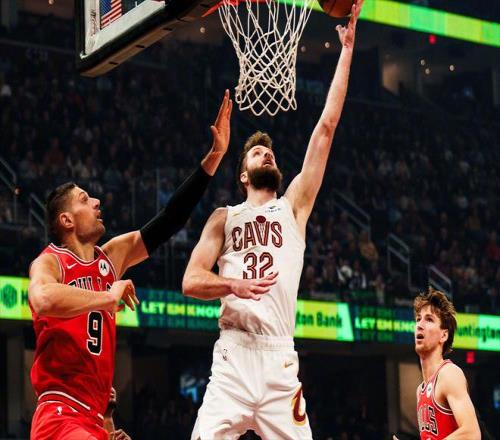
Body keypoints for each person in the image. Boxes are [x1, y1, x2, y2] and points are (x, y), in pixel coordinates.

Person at [182, 3, 363, 438]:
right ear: (243, 175)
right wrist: (233, 285)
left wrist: (346, 50)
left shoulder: (293, 206)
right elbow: (190, 281)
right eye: (257, 153)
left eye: (270, 152)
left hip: (279, 357)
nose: (267, 154)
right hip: (233, 355)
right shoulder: (223, 218)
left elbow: (326, 128)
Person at [28, 91, 233, 440]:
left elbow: (169, 220)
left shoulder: (109, 259)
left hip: (92, 418)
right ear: (66, 220)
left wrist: (213, 158)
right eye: (84, 200)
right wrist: (108, 297)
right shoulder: (51, 261)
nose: (96, 201)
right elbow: (43, 299)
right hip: (59, 413)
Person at [394, 287, 481, 440]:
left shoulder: (449, 374)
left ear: (444, 335)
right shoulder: (420, 390)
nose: (420, 324)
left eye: (429, 319)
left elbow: (472, 433)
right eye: (418, 319)